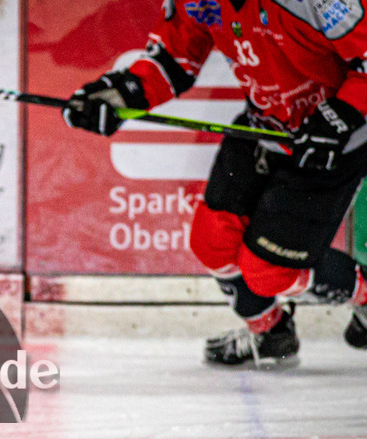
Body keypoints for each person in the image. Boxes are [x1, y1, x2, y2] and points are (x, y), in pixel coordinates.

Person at [63, 0, 367, 365]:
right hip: (264, 128)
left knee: (267, 271)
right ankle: (271, 334)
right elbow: (173, 58)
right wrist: (118, 94)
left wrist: (338, 117)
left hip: (335, 144)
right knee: (212, 240)